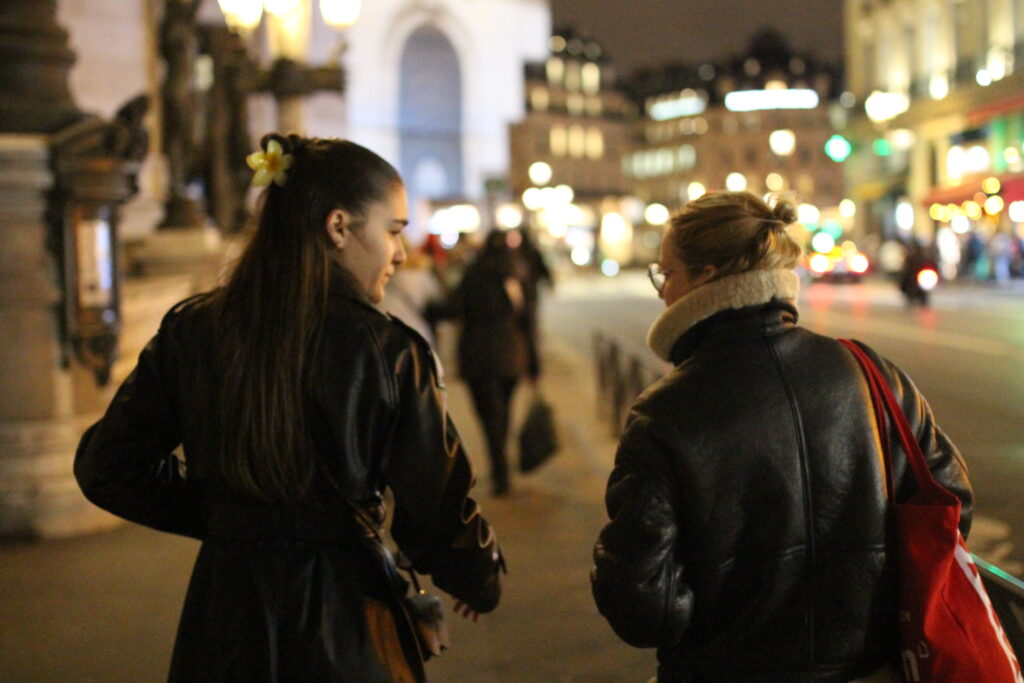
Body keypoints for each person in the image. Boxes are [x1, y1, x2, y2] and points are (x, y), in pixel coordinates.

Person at [75, 134, 504, 682]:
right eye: (393, 231)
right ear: (339, 227)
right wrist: (479, 579)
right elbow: (434, 506)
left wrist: (232, 517)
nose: (401, 253)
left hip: (224, 614)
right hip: (345, 617)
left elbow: (108, 466)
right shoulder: (390, 351)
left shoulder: (194, 330)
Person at [591, 191, 972, 682]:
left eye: (667, 274)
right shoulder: (870, 372)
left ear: (706, 276)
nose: (662, 291)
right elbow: (952, 505)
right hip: (873, 669)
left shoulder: (665, 413)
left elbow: (643, 607)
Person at [446, 230, 530, 496]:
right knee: (503, 414)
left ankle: (500, 470)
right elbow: (527, 322)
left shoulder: (472, 275)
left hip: (477, 357)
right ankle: (501, 468)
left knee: (489, 417)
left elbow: (452, 308)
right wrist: (534, 365)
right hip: (509, 356)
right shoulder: (513, 277)